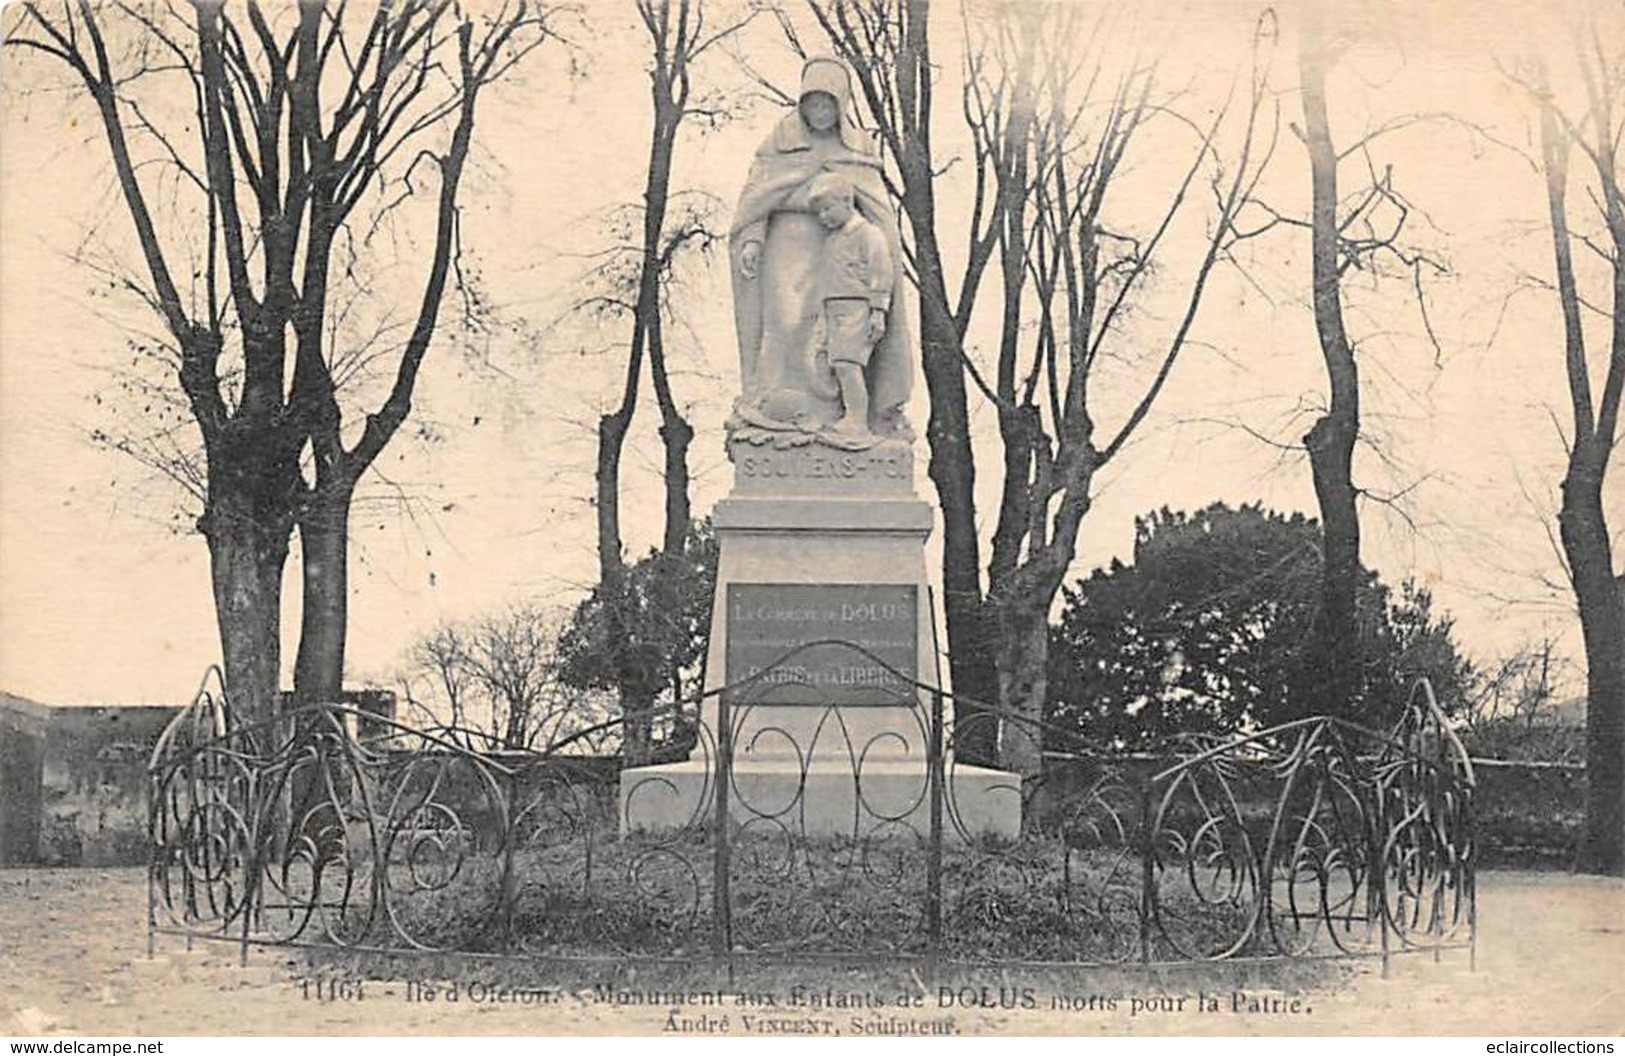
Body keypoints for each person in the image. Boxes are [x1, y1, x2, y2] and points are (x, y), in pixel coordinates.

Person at [727, 57, 911, 446]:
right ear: (802, 104)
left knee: (835, 340)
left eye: (828, 104)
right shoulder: (780, 143)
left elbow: (875, 211)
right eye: (813, 104)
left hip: (842, 258)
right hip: (787, 246)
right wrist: (753, 240)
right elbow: (759, 197)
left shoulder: (857, 148)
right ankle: (780, 408)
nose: (821, 112)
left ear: (841, 105)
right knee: (785, 322)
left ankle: (842, 416)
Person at [806, 171, 891, 439]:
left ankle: (857, 420)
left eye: (827, 209)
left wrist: (878, 311)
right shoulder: (832, 240)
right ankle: (847, 415)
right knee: (835, 365)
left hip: (856, 308)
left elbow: (881, 271)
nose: (824, 217)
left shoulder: (868, 234)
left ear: (846, 200)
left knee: (848, 364)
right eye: (819, 213)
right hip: (833, 308)